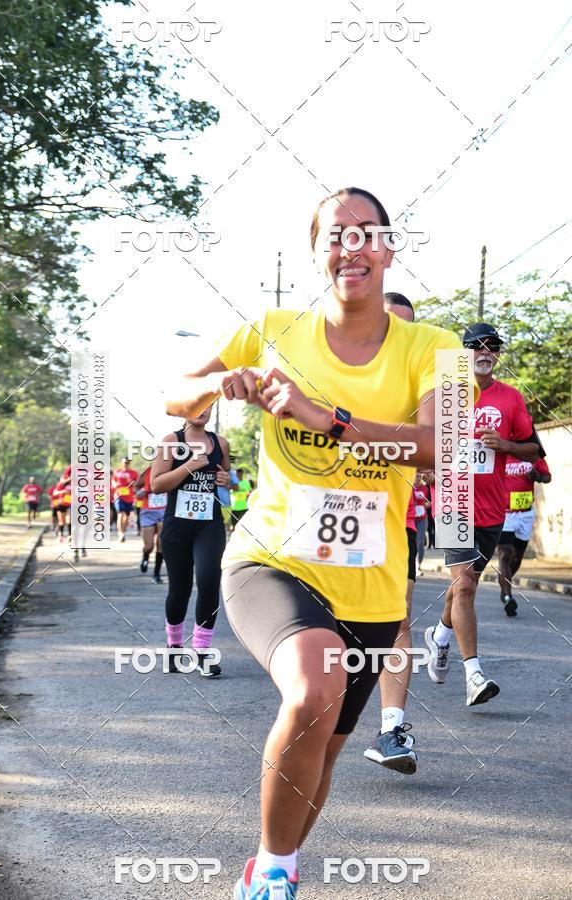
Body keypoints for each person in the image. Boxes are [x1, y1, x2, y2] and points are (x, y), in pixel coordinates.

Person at [163, 187, 462, 899]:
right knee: (314, 685)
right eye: (335, 234)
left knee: (323, 747)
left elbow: (442, 445)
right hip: (273, 558)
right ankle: (268, 876)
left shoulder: (436, 348)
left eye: (367, 233)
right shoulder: (271, 329)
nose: (350, 246)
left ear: (389, 248)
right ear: (317, 251)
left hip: (372, 584)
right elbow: (177, 392)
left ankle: (281, 861)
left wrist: (325, 417)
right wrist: (212, 392)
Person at [425, 322, 543, 707]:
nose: (485, 352)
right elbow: (420, 438)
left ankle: (440, 636)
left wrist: (505, 444)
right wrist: (424, 465)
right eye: (476, 346)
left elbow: (534, 450)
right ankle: (474, 674)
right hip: (453, 503)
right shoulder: (447, 394)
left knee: (465, 585)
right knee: (465, 588)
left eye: (492, 346)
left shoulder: (510, 398)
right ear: (464, 353)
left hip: (493, 509)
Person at [364, 290, 419, 774]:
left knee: (397, 623)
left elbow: (446, 454)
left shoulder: (426, 388)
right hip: (331, 519)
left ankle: (391, 730)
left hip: (398, 524)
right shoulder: (334, 375)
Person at [151, 408, 231, 678]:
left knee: (208, 582)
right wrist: (189, 466)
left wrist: (225, 480)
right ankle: (174, 645)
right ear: (185, 410)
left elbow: (225, 476)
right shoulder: (172, 441)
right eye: (198, 405)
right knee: (180, 590)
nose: (203, 411)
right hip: (177, 526)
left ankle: (201, 650)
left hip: (209, 525)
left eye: (209, 405)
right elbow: (156, 484)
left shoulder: (220, 443)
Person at [496, 454, 551, 615]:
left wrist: (538, 477)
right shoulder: (501, 454)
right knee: (505, 554)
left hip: (525, 514)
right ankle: (508, 597)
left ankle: (504, 583)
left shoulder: (532, 453)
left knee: (517, 557)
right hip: (505, 514)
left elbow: (548, 477)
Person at [135, 466, 166, 584]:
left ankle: (156, 574)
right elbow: (137, 486)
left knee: (161, 544)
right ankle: (145, 557)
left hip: (164, 511)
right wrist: (139, 492)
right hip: (148, 511)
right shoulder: (147, 471)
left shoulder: (171, 469)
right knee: (149, 546)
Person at [111, 458, 139, 542]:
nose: (125, 464)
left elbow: (137, 484)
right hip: (119, 496)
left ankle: (123, 532)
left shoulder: (134, 473)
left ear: (129, 463)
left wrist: (131, 482)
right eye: (124, 462)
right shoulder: (117, 471)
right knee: (121, 514)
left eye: (127, 463)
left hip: (129, 497)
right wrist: (115, 484)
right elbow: (113, 480)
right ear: (122, 463)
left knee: (126, 517)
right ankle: (120, 533)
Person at [413, 472, 431, 576]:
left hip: (422, 518)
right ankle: (410, 563)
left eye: (420, 477)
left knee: (420, 541)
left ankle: (418, 565)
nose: (418, 479)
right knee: (411, 542)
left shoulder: (425, 489)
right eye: (416, 476)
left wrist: (424, 504)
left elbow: (430, 503)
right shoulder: (408, 486)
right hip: (411, 518)